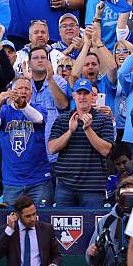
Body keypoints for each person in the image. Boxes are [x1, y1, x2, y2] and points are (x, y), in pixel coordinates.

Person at [49, 78, 114, 207]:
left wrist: (88, 129)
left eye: (86, 93)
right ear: (73, 96)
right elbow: (52, 148)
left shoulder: (104, 119)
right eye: (79, 93)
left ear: (93, 96)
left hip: (93, 187)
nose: (82, 97)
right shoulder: (62, 119)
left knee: (93, 226)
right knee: (63, 226)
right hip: (65, 186)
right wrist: (70, 131)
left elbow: (106, 150)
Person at [0, 77, 53, 205]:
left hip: (39, 179)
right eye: (19, 88)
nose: (23, 91)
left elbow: (38, 118)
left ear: (31, 93)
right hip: (13, 180)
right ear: (11, 91)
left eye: (27, 88)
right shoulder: (5, 111)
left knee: (41, 219)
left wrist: (22, 105)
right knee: (13, 221)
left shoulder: (39, 108)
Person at [0, 195, 62, 266]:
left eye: (34, 214)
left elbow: (57, 255)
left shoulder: (46, 229)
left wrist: (53, 265)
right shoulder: (7, 230)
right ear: (17, 215)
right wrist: (9, 230)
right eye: (28, 216)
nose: (33, 219)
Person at [85, 176, 133, 266]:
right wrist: (91, 252)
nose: (129, 200)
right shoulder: (106, 220)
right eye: (126, 195)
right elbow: (92, 259)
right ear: (118, 196)